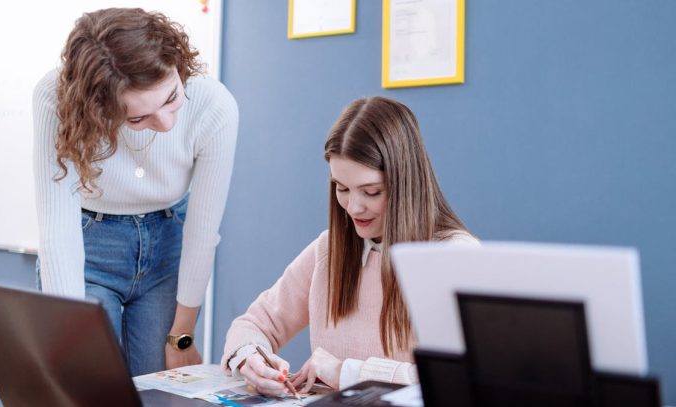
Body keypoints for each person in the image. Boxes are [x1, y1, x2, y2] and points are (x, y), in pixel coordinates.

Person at [221, 96, 477, 395]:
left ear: (406, 183)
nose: (353, 207)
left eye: (371, 191)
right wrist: (250, 357)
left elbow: (463, 379)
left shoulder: (456, 257)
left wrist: (346, 371)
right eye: (341, 188)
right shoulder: (329, 249)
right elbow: (255, 322)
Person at [32, 8, 238, 376]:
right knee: (88, 383)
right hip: (88, 246)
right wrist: (68, 338)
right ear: (98, 110)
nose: (166, 123)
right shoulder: (56, 98)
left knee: (161, 385)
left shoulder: (214, 105)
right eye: (137, 118)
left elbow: (202, 233)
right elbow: (57, 230)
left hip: (168, 245)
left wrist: (183, 337)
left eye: (171, 98)